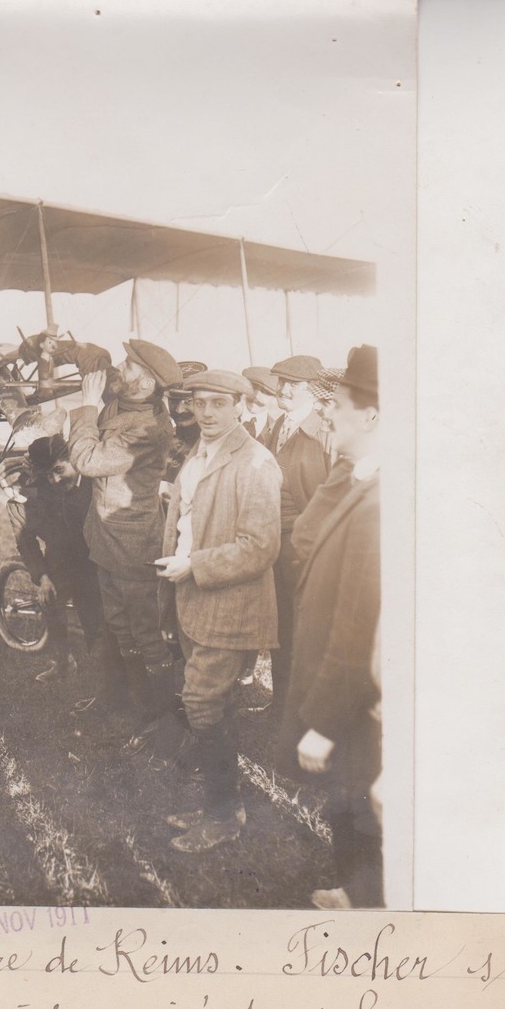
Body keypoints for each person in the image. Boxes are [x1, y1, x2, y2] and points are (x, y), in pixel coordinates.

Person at [155, 370, 282, 852]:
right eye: (198, 403)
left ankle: (224, 815)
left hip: (229, 604)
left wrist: (193, 565)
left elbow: (259, 548)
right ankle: (220, 804)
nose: (205, 413)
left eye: (217, 404)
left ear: (241, 407)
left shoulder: (255, 462)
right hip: (193, 598)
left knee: (203, 703)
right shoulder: (202, 450)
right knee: (212, 704)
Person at [276, 344, 382, 908]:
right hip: (346, 682)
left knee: (358, 793)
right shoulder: (360, 473)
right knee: (350, 794)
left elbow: (359, 624)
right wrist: (349, 461)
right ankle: (357, 890)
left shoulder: (381, 496)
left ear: (374, 416)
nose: (326, 415)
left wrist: (323, 718)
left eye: (337, 405)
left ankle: (367, 903)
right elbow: (308, 534)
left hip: (353, 691)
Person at [67, 339, 181, 727]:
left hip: (132, 544)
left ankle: (163, 717)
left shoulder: (149, 428)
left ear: (147, 384)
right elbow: (97, 360)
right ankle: (137, 707)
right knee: (119, 626)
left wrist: (85, 406)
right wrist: (62, 349)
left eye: (130, 367)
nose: (120, 369)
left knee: (146, 634)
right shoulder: (128, 399)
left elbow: (89, 460)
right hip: (105, 537)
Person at [0, 435, 127, 705]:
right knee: (50, 600)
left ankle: (113, 687)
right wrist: (43, 577)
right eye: (47, 475)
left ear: (74, 461)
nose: (56, 480)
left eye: (59, 470)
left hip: (96, 561)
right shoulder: (34, 494)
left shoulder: (96, 483)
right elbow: (26, 541)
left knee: (99, 625)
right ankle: (64, 661)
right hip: (61, 560)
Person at [267, 354, 333, 711]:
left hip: (307, 544)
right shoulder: (278, 424)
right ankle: (281, 702)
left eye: (292, 384)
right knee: (278, 624)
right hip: (273, 540)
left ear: (312, 390)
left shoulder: (324, 430)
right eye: (281, 382)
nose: (283, 389)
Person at [163, 361, 208, 484]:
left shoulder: (214, 446)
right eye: (173, 401)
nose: (178, 409)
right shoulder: (162, 437)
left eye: (188, 402)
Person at [241, 366, 281, 446]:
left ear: (274, 397)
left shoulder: (277, 429)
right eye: (254, 388)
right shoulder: (225, 419)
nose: (256, 396)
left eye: (265, 392)